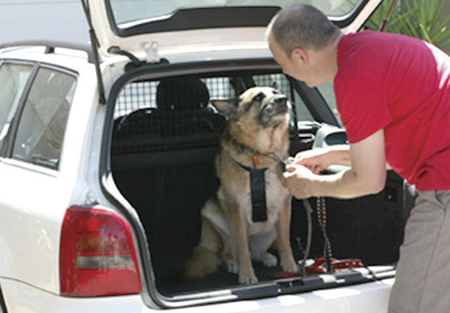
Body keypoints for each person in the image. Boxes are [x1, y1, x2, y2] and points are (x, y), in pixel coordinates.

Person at [266, 4, 450, 313]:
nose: (285, 72)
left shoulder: (355, 77)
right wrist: (330, 155)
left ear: (300, 56)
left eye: (282, 64)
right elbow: (392, 155)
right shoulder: (374, 51)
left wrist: (310, 186)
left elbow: (369, 180)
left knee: (412, 307)